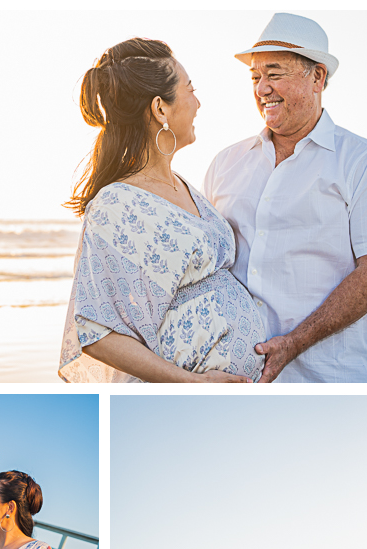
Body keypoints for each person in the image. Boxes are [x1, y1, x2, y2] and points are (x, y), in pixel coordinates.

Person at [203, 13, 367, 384]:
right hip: (241, 387)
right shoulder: (226, 163)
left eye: (275, 73)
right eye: (255, 77)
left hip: (336, 384)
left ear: (317, 77)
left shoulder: (365, 162)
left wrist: (294, 343)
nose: (262, 88)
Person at [58, 37, 264, 384]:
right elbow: (96, 332)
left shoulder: (186, 187)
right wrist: (194, 384)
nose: (197, 102)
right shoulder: (116, 205)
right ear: (160, 109)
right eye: (190, 89)